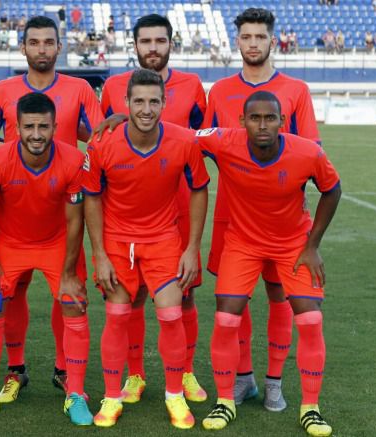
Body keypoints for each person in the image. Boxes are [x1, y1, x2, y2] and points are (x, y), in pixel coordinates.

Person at [197, 91, 341, 437]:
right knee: (226, 316)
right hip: (243, 242)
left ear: (282, 121)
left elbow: (332, 190)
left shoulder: (308, 152)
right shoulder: (223, 140)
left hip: (293, 243)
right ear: (242, 121)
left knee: (309, 319)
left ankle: (311, 408)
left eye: (270, 118)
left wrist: (313, 245)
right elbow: (176, 133)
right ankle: (225, 400)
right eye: (255, 118)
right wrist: (126, 120)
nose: (263, 124)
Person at [0, 15, 104, 401]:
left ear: (59, 46)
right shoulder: (2, 90)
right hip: (13, 214)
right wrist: (18, 161)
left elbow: (98, 137)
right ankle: (15, 370)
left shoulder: (80, 88)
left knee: (67, 296)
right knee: (4, 297)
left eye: (49, 42)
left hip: (64, 215)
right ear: (23, 47)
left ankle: (65, 370)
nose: (42, 49)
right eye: (35, 42)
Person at [202, 7, 322, 414]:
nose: (253, 43)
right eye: (246, 37)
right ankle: (243, 379)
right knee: (234, 298)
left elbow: (311, 152)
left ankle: (273, 381)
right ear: (236, 41)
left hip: (283, 220)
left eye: (260, 37)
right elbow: (210, 143)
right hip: (232, 215)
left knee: (278, 294)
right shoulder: (218, 91)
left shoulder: (296, 89)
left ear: (273, 40)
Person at [83, 69, 209, 429]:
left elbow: (199, 189)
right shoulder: (102, 144)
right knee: (118, 315)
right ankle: (112, 397)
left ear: (165, 103)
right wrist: (100, 255)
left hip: (164, 241)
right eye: (138, 100)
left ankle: (174, 395)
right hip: (118, 243)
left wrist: (192, 248)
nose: (146, 109)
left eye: (154, 101)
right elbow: (91, 199)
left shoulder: (184, 141)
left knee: (171, 315)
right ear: (126, 103)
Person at [0, 93, 91, 426]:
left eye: (44, 127)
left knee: (73, 300)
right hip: (9, 243)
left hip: (57, 242)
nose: (37, 134)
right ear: (17, 127)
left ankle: (75, 393)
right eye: (30, 126)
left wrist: (68, 272)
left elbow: (76, 220)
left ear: (55, 127)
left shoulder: (74, 160)